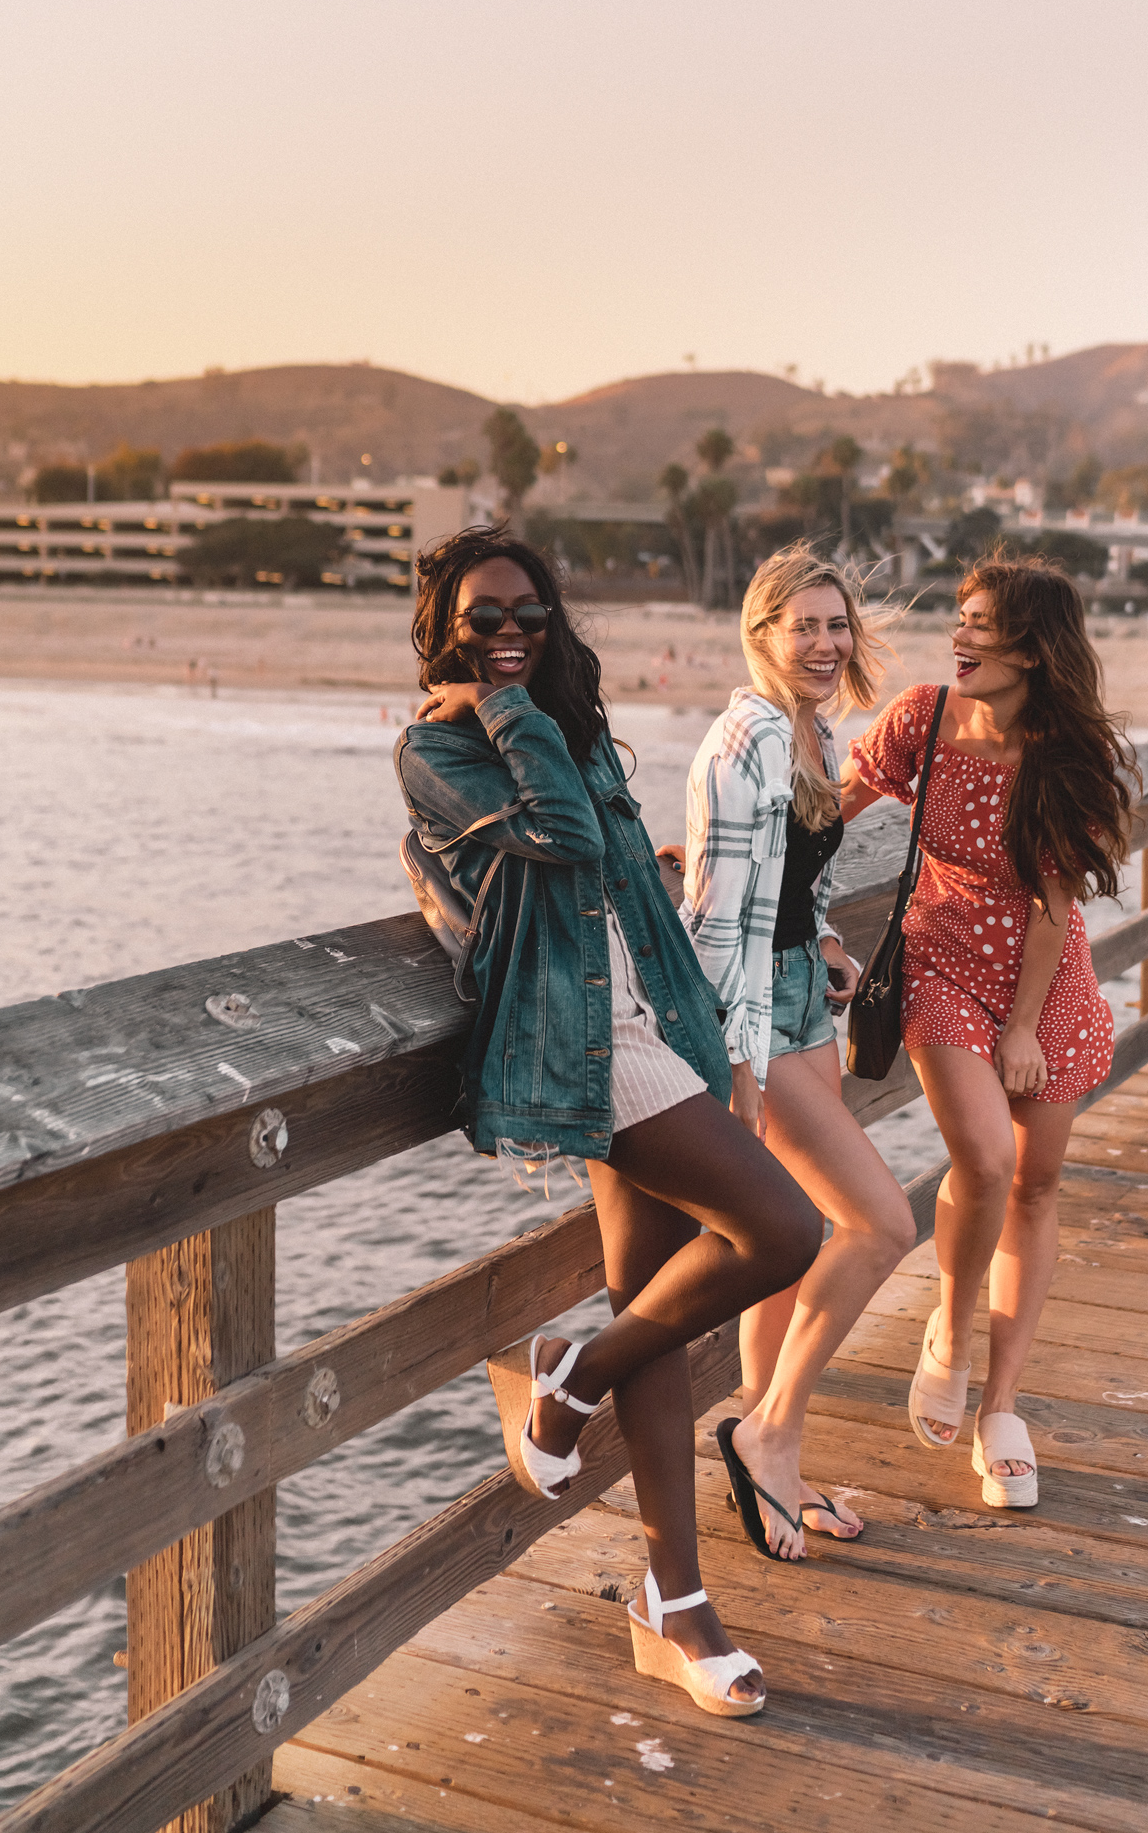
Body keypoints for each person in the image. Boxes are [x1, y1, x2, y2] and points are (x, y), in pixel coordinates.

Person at [395, 526, 821, 1717]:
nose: (510, 630)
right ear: (444, 632)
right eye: (482, 617)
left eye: (527, 609)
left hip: (657, 1020)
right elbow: (564, 838)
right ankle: (569, 1375)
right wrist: (499, 704)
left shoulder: (567, 724)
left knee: (653, 1308)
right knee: (786, 1230)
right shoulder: (437, 742)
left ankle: (672, 1600)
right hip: (587, 1046)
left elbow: (613, 866)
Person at [839, 554, 1136, 1507]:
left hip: (1042, 979)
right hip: (936, 960)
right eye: (958, 619)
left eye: (981, 624)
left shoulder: (1061, 753)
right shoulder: (922, 719)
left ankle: (1003, 1407)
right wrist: (719, 840)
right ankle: (951, 1329)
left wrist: (1023, 1028)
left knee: (1038, 1185)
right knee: (985, 1160)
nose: (958, 636)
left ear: (1035, 651)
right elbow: (828, 812)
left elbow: (1053, 901)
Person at [657, 544, 917, 1561]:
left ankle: (776, 1455)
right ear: (759, 633)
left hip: (805, 991)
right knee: (880, 1222)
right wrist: (740, 1072)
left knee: (789, 1241)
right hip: (753, 1014)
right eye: (801, 625)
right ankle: (760, 1433)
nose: (823, 642)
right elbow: (718, 928)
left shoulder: (811, 732)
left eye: (835, 624)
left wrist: (835, 944)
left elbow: (787, 885)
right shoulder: (741, 747)